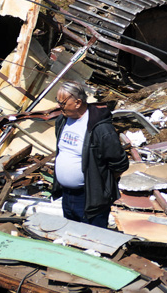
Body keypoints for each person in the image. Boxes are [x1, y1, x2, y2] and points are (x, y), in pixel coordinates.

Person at [52, 80, 129, 228]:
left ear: (78, 103)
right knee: (71, 236)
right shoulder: (62, 120)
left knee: (92, 240)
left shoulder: (100, 128)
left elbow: (119, 163)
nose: (58, 106)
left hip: (90, 197)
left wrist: (101, 184)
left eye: (62, 103)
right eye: (58, 102)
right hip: (67, 195)